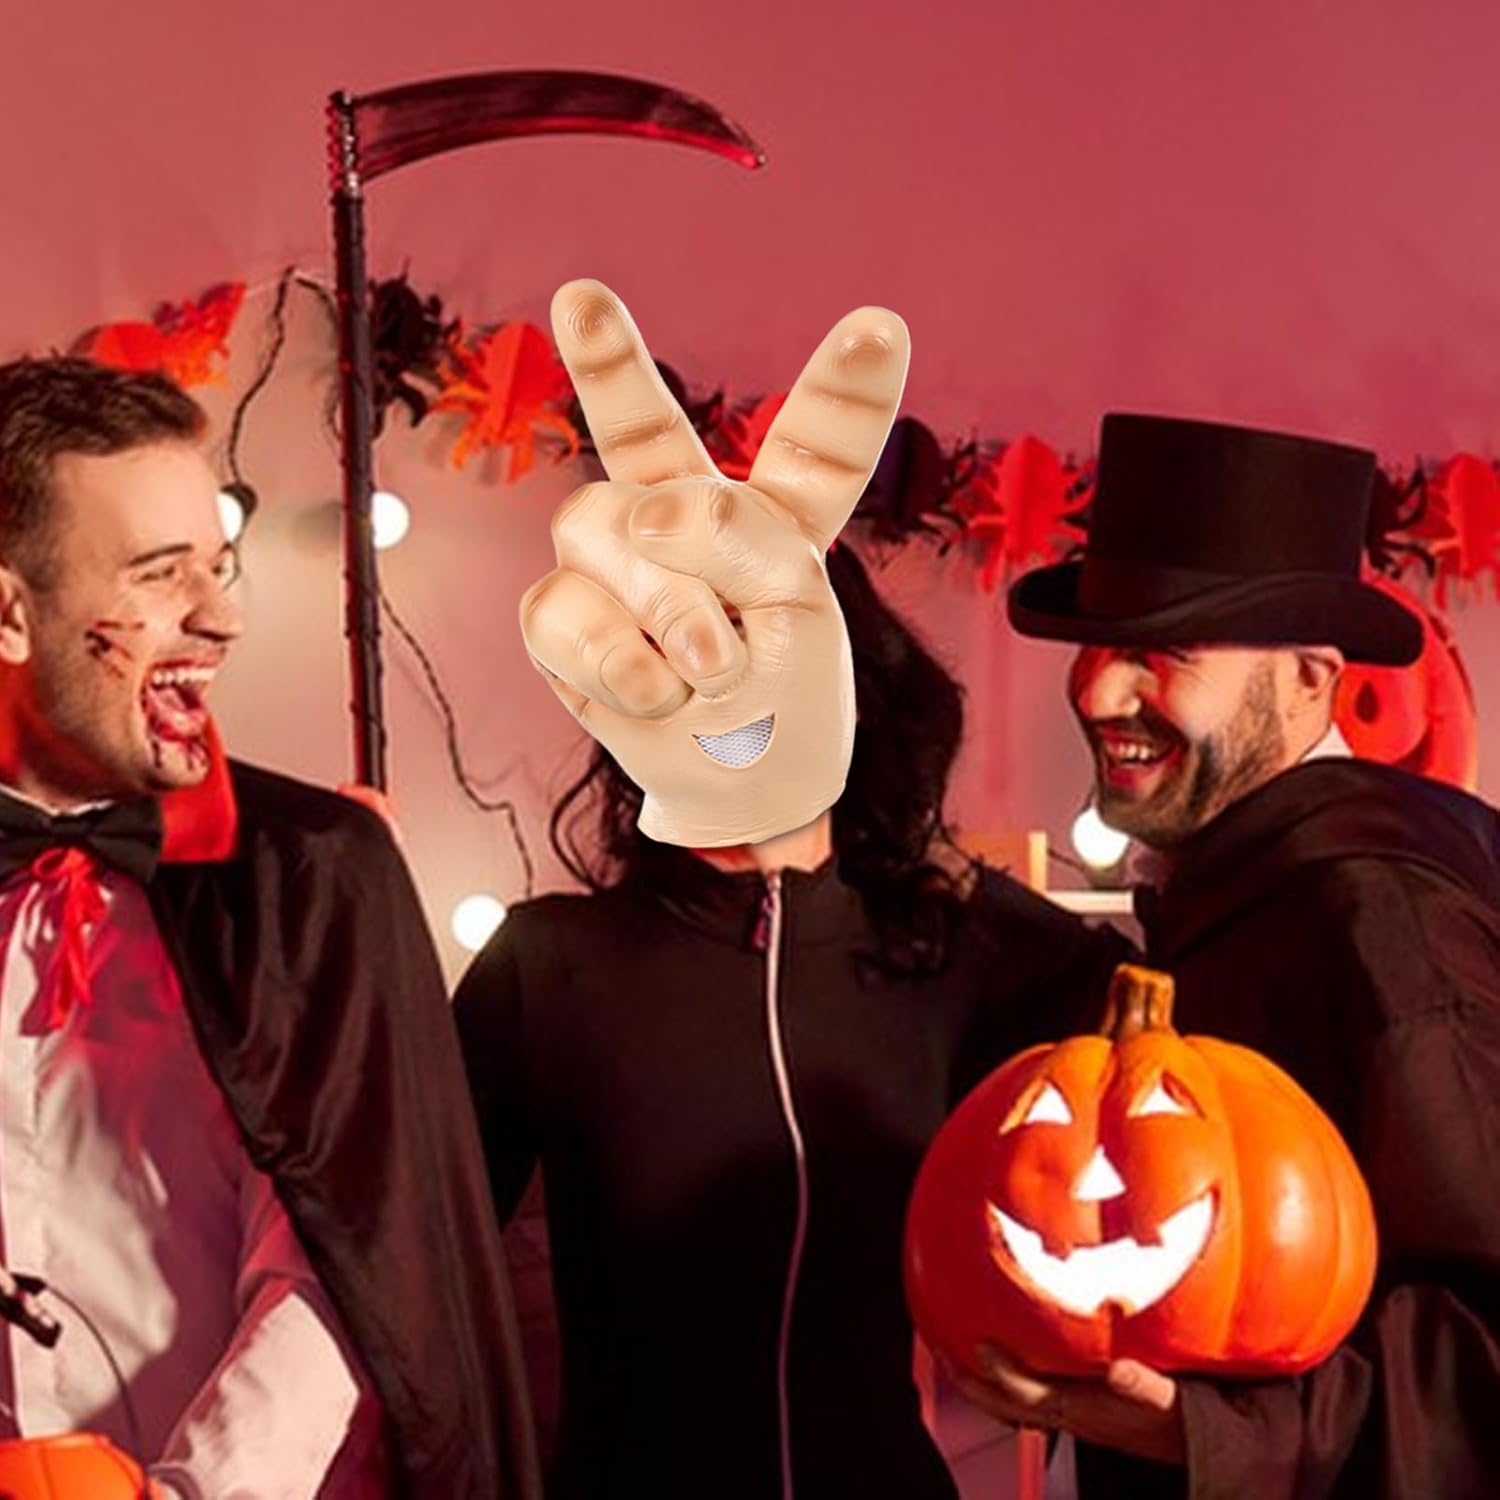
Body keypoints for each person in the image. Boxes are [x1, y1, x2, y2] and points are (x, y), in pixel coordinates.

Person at [455, 534, 1128, 1497]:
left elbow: (1155, 1030)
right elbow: (403, 1264)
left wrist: (935, 866)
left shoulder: (945, 952)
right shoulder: (546, 966)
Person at [0, 357, 541, 1498]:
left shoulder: (314, 877)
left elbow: (351, 1263)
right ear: (9, 612)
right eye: (161, 575)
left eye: (221, 565)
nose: (223, 617)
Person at [945, 412, 1500, 1500]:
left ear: (1310, 680)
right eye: (1097, 647)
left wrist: (1208, 1435)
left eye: (1163, 655)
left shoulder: (1381, 915)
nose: (1100, 694)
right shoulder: (1234, 889)